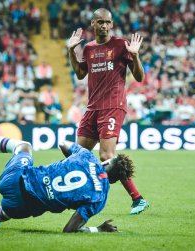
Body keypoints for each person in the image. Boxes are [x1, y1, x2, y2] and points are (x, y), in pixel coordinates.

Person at [0, 120, 135, 232]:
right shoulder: (100, 198)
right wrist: (99, 229)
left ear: (106, 162)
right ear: (114, 180)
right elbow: (70, 229)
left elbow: (63, 144)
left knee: (23, 147)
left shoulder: (88, 157)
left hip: (15, 180)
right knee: (10, 211)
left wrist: (72, 161)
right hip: (23, 208)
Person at [67, 8, 149, 214]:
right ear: (93, 24)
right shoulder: (88, 48)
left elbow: (139, 77)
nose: (104, 25)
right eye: (100, 22)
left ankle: (137, 199)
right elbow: (79, 74)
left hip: (113, 106)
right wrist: (71, 52)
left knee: (106, 155)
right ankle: (81, 195)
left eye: (107, 22)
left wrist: (136, 55)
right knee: (78, 155)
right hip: (92, 108)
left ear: (111, 24)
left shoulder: (121, 45)